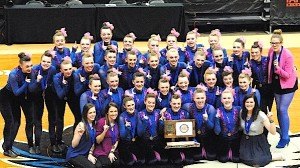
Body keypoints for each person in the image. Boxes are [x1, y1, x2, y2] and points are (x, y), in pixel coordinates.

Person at [267, 29, 298, 148]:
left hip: (288, 85)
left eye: (276, 43)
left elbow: (287, 75)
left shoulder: (288, 55)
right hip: (276, 84)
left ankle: (285, 138)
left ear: (281, 43)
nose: (274, 45)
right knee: (279, 110)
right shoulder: (271, 51)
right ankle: (283, 135)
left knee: (283, 109)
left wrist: (278, 68)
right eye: (272, 43)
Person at [0, 52, 34, 157]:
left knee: (17, 122)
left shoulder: (29, 71)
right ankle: (6, 148)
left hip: (14, 99)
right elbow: (17, 92)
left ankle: (9, 146)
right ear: (21, 66)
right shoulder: (13, 74)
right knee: (10, 122)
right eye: (27, 66)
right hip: (4, 98)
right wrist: (26, 83)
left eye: (31, 66)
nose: (30, 68)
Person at [239, 94, 284, 167]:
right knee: (243, 158)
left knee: (257, 161)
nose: (249, 104)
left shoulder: (261, 115)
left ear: (255, 103)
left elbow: (273, 132)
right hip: (246, 140)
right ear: (244, 103)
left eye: (251, 102)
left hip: (258, 141)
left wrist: (271, 120)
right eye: (247, 102)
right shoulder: (241, 113)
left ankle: (275, 157)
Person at [30, 50, 56, 154]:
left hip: (48, 94)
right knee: (37, 120)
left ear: (51, 63)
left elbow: (52, 83)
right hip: (37, 96)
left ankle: (54, 143)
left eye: (48, 62)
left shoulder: (53, 69)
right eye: (44, 61)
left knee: (52, 118)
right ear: (40, 61)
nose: (46, 64)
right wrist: (38, 82)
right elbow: (31, 88)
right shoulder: (35, 70)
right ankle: (36, 145)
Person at [53, 58, 81, 153]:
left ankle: (76, 139)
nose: (68, 71)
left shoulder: (75, 75)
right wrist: (65, 85)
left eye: (70, 69)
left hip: (71, 95)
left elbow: (77, 92)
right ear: (61, 70)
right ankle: (58, 141)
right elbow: (60, 95)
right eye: (65, 70)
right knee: (59, 119)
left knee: (78, 117)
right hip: (58, 97)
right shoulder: (57, 78)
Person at [182, 88, 217, 161]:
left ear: (205, 98)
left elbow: (211, 127)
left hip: (207, 136)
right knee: (196, 157)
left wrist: (206, 120)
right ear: (194, 98)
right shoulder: (187, 107)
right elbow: (177, 109)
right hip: (195, 137)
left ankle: (205, 149)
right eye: (198, 98)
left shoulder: (210, 109)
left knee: (211, 157)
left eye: (202, 98)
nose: (200, 100)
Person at [159, 94, 193, 165]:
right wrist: (162, 122)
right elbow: (160, 131)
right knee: (177, 161)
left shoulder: (186, 113)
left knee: (189, 161)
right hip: (169, 142)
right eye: (174, 103)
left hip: (182, 141)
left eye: (178, 103)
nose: (176, 106)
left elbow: (189, 130)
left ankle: (182, 154)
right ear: (170, 103)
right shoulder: (164, 113)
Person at [137, 91, 168, 165]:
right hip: (145, 141)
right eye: (149, 102)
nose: (151, 104)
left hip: (157, 140)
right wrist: (144, 122)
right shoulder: (140, 114)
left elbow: (160, 132)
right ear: (145, 102)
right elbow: (139, 133)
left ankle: (155, 153)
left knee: (165, 160)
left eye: (153, 103)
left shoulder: (158, 112)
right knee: (152, 161)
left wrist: (161, 123)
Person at [66, 103, 101, 168]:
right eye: (90, 113)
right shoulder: (81, 125)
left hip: (85, 153)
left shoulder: (94, 124)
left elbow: (93, 143)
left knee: (99, 165)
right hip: (75, 154)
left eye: (94, 112)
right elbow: (74, 144)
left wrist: (90, 154)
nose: (93, 114)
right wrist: (80, 134)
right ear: (85, 114)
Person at [214, 89, 241, 163]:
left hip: (236, 138)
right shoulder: (218, 110)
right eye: (224, 98)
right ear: (221, 100)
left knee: (236, 159)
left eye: (229, 98)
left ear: (233, 99)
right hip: (223, 139)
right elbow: (217, 131)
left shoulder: (238, 109)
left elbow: (241, 127)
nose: (227, 100)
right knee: (223, 159)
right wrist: (217, 118)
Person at [118, 96, 144, 166]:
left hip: (135, 141)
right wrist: (127, 128)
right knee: (130, 163)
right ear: (124, 106)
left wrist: (142, 122)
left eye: (132, 105)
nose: (131, 107)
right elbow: (123, 137)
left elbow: (140, 133)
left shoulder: (136, 112)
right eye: (128, 105)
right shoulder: (121, 117)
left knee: (142, 161)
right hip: (125, 143)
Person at [94, 102, 120, 167]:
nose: (114, 113)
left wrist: (111, 152)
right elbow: (97, 141)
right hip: (101, 150)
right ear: (107, 112)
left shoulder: (117, 123)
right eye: (111, 111)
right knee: (106, 164)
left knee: (116, 163)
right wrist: (104, 132)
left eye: (115, 111)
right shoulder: (101, 122)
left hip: (111, 150)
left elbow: (117, 140)